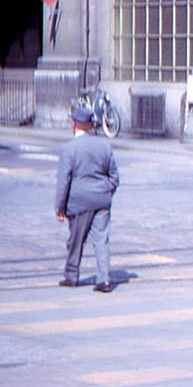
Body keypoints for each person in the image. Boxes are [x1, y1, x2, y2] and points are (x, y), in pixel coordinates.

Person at [55, 105, 120, 291]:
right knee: (101, 240)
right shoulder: (104, 146)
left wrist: (60, 206)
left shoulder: (69, 149)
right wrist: (106, 191)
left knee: (76, 240)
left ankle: (71, 276)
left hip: (79, 203)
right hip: (101, 201)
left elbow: (63, 181)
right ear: (90, 126)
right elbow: (114, 176)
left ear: (74, 124)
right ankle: (104, 280)